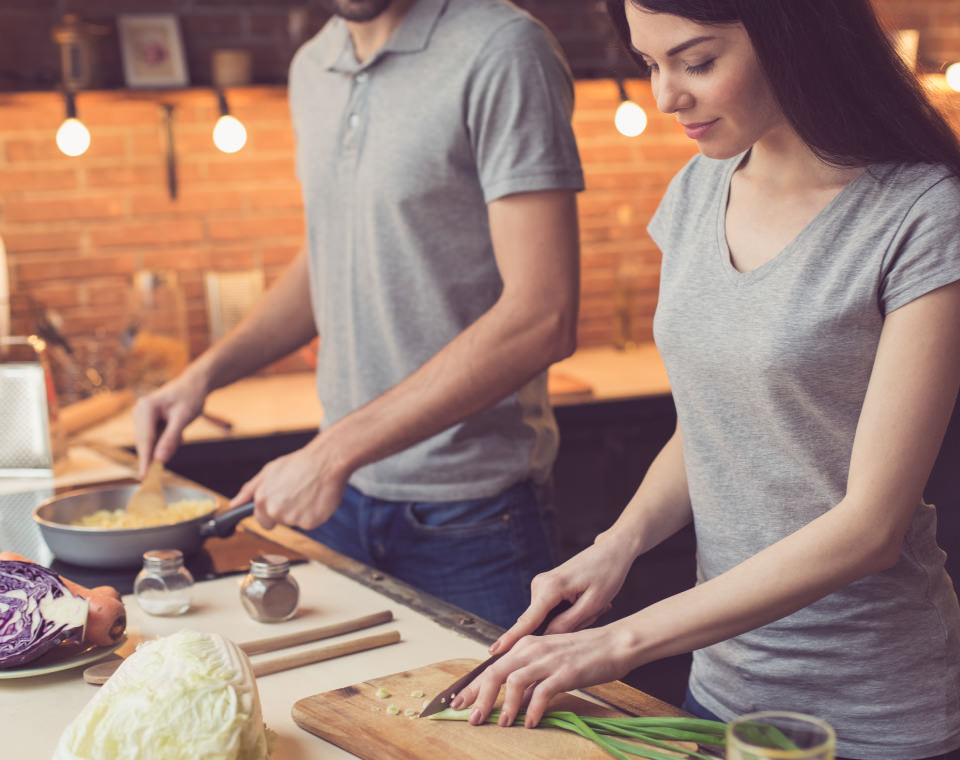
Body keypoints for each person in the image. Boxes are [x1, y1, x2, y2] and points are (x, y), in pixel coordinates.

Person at [453, 2, 960, 758]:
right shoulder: (694, 193)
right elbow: (718, 420)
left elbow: (870, 530)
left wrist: (620, 644)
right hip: (718, 698)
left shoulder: (921, 214)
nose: (666, 96)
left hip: (872, 713)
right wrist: (617, 544)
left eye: (697, 62)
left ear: (793, 36)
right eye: (651, 65)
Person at [132, 0, 584, 630]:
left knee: (494, 731)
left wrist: (329, 453)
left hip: (471, 516)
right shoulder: (311, 67)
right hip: (342, 507)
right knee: (341, 723)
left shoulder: (503, 49)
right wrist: (203, 376)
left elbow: (543, 315)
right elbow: (330, 260)